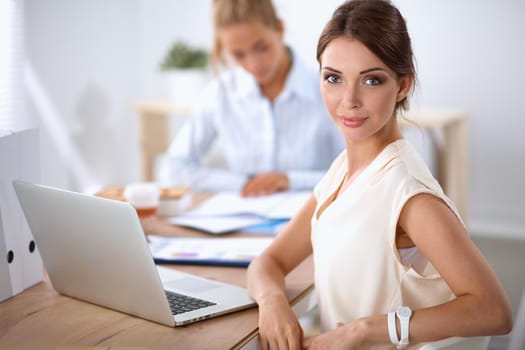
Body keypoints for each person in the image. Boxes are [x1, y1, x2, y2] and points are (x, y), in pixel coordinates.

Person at [247, 0, 513, 349]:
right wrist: (272, 302)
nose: (349, 100)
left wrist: (362, 330)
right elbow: (270, 261)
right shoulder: (344, 168)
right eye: (333, 78)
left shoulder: (409, 194)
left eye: (372, 80)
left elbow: (493, 310)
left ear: (403, 86)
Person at [156, 0, 343, 197]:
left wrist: (289, 180)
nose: (254, 64)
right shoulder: (220, 93)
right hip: (243, 220)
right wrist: (242, 183)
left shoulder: (327, 90)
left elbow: (358, 172)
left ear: (280, 29)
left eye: (262, 48)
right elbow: (172, 168)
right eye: (238, 55)